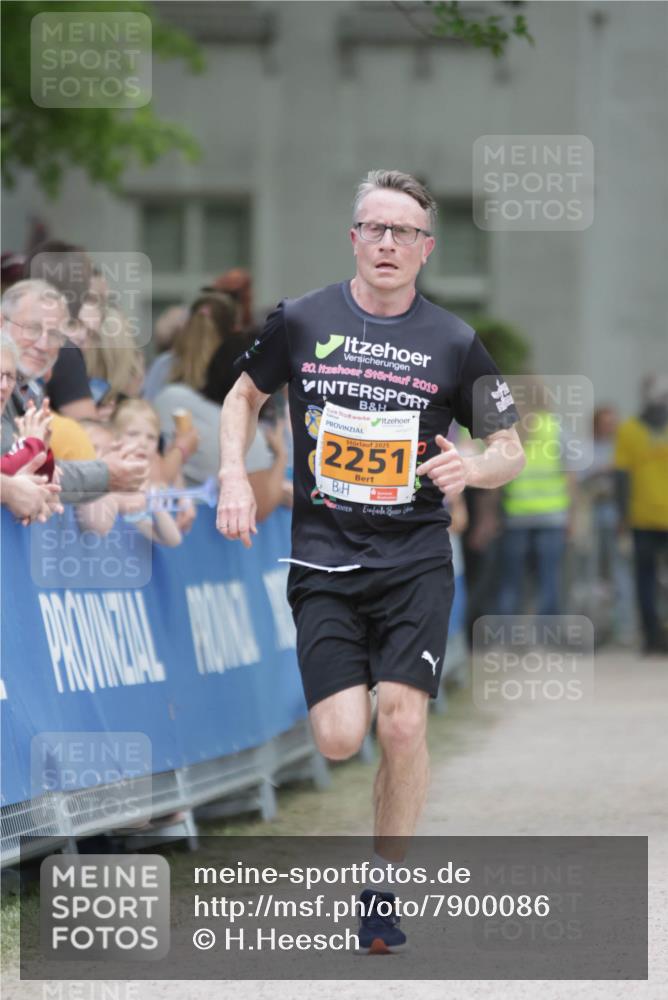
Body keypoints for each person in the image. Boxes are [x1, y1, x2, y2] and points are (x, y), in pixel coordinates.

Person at [216, 169, 525, 951]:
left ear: (426, 249)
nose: (388, 243)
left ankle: (383, 890)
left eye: (404, 232)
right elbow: (242, 398)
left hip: (415, 556)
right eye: (374, 228)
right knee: (338, 737)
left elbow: (510, 449)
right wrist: (232, 475)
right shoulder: (301, 320)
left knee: (401, 723)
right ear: (354, 238)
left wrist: (474, 470)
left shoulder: (455, 342)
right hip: (323, 558)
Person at [1, 280, 148, 504]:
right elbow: (14, 468)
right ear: (1, 323)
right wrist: (105, 473)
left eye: (54, 335)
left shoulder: (32, 390)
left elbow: (35, 472)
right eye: (32, 328)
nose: (42, 344)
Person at [614, 374, 668, 654]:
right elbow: (621, 477)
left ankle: (653, 637)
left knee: (645, 580)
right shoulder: (628, 430)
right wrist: (623, 517)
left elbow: (621, 477)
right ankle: (652, 636)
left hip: (642, 517)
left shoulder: (629, 430)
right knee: (645, 580)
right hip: (642, 517)